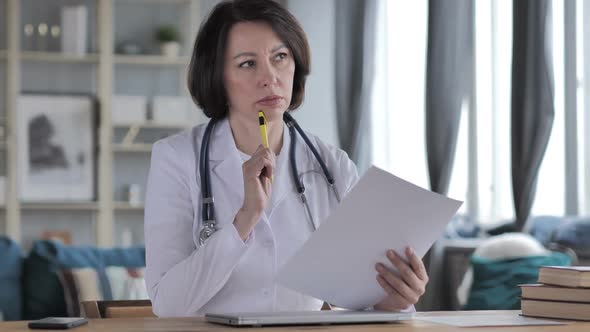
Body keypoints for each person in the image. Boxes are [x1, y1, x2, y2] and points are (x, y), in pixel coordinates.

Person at [144, 0, 429, 317]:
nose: (270, 77)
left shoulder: (332, 166)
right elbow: (168, 304)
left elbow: (359, 299)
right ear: (217, 76)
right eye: (247, 64)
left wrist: (393, 300)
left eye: (280, 57)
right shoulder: (177, 158)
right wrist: (244, 220)